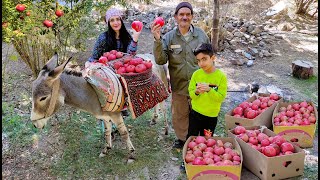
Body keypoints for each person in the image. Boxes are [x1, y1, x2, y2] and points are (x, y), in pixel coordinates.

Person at [151, 2, 210, 148]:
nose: (184, 17)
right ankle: (183, 139)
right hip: (180, 84)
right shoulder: (169, 37)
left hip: (199, 84)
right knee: (180, 114)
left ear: (192, 17)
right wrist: (157, 39)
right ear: (176, 17)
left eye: (188, 14)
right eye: (181, 14)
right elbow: (160, 59)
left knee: (200, 112)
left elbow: (209, 57)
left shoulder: (201, 35)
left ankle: (201, 138)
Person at [88, 8, 142, 118]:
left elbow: (129, 56)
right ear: (108, 23)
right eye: (112, 20)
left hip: (122, 69)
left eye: (118, 19)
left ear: (121, 20)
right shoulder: (103, 38)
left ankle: (125, 105)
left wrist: (135, 39)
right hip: (107, 70)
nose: (116, 22)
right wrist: (89, 65)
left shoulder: (127, 37)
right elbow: (95, 56)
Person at [187, 43, 227, 139]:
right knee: (192, 138)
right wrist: (196, 92)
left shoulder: (221, 77)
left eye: (204, 59)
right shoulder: (196, 75)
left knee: (207, 140)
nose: (201, 63)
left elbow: (220, 98)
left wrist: (209, 90)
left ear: (213, 58)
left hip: (211, 116)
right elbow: (191, 94)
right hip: (195, 114)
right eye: (198, 60)